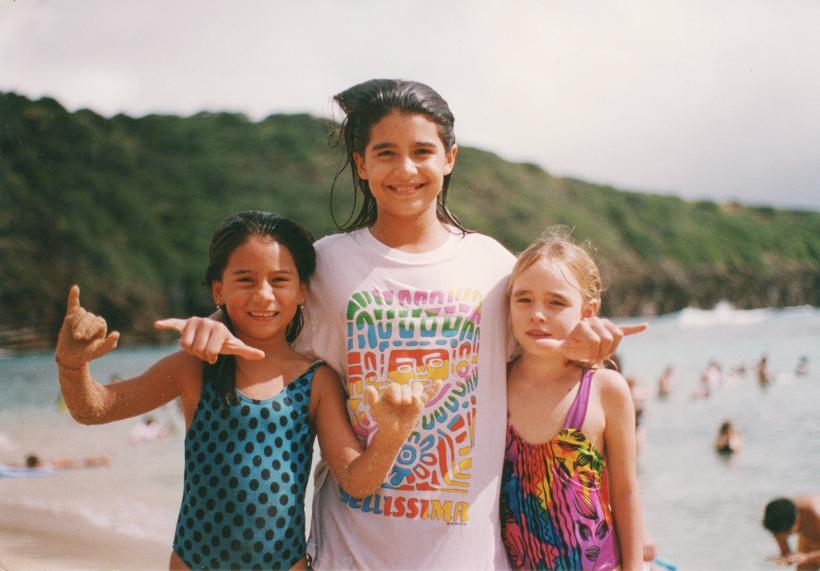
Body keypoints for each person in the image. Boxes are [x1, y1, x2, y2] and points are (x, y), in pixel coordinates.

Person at [157, 80, 646, 569]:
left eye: (422, 151)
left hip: (469, 557)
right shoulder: (326, 265)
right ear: (361, 163)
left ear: (450, 157)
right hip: (349, 553)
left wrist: (581, 345)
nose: (406, 169)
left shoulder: (494, 268)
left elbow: (541, 360)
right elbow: (263, 316)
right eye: (386, 152)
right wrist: (216, 322)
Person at [55, 210, 440, 570]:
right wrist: (73, 366)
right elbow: (96, 409)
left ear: (303, 291)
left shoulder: (316, 380)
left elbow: (356, 481)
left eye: (279, 280)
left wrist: (392, 436)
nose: (264, 295)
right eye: (245, 279)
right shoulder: (196, 367)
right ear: (218, 291)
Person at [500, 230, 647, 570]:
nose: (537, 313)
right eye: (523, 299)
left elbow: (625, 490)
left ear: (588, 311)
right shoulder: (496, 381)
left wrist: (636, 567)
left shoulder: (605, 389)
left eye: (556, 302)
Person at [763, 496, 820, 569]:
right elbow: (787, 554)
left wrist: (808, 557)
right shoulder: (777, 519)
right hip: (809, 538)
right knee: (804, 567)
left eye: (788, 533)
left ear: (798, 518)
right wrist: (787, 558)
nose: (784, 537)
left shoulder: (817, 513)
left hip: (814, 531)